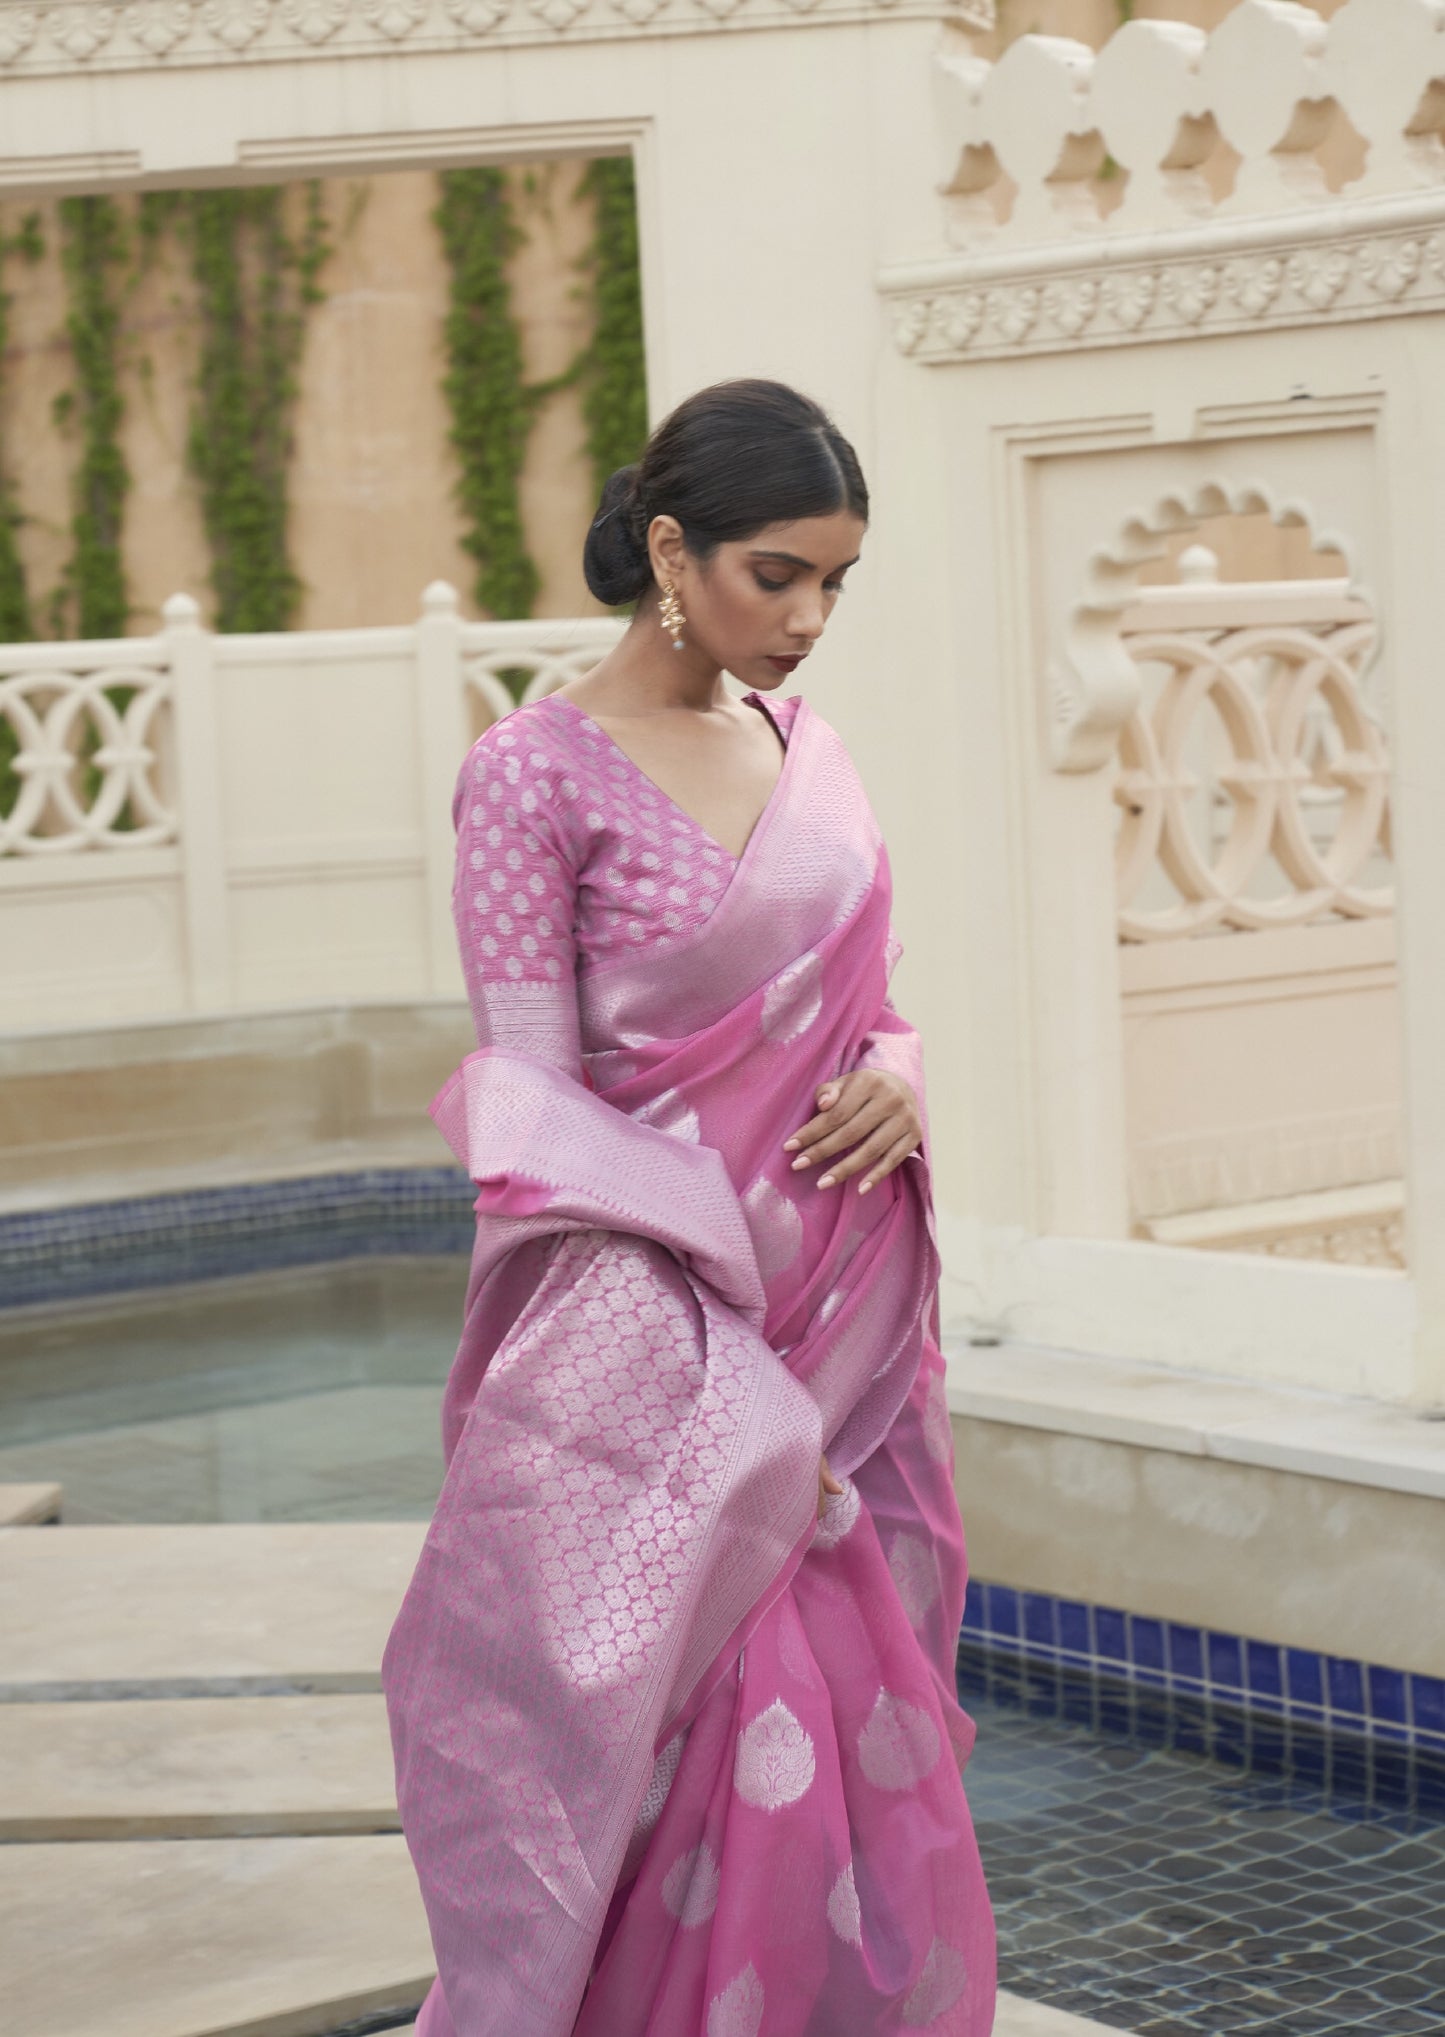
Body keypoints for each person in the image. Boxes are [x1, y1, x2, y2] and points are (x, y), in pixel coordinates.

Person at [383, 379, 996, 2037]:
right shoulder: (532, 775)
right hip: (661, 1341)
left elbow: (862, 1001)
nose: (805, 620)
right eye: (774, 574)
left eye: (833, 585)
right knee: (698, 1723)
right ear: (670, 547)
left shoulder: (807, 755)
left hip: (852, 1317)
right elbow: (534, 1110)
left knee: (855, 1730)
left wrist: (900, 1069)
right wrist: (708, 1350)